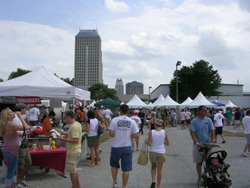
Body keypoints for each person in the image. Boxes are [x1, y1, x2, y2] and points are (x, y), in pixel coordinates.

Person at [109, 104, 139, 188]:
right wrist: (130, 135)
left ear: (120, 111)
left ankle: (115, 183)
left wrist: (117, 134)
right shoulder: (132, 121)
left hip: (116, 146)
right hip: (127, 146)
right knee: (126, 169)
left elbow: (110, 134)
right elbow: (136, 135)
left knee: (114, 165)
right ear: (127, 111)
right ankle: (124, 186)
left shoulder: (114, 120)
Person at [0, 108, 30, 188]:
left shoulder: (7, 124)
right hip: (11, 151)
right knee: (11, 172)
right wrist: (20, 117)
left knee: (14, 171)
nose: (13, 113)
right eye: (11, 112)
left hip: (10, 150)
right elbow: (26, 127)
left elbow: (16, 133)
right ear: (8, 115)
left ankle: (13, 186)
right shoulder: (10, 124)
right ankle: (8, 186)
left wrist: (26, 134)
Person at [189, 105, 215, 186]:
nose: (206, 112)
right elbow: (192, 132)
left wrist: (211, 141)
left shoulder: (208, 120)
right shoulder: (194, 121)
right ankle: (200, 177)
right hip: (198, 144)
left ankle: (204, 175)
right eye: (204, 110)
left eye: (206, 110)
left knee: (209, 162)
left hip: (207, 144)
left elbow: (212, 131)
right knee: (199, 162)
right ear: (199, 111)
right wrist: (197, 142)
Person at [57, 111, 82, 188]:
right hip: (76, 150)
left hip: (73, 150)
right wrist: (62, 132)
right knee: (74, 170)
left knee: (72, 171)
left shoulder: (74, 126)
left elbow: (75, 140)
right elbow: (71, 133)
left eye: (64, 118)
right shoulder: (76, 124)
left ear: (68, 117)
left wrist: (62, 139)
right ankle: (77, 186)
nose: (64, 120)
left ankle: (75, 186)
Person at [146, 119, 169, 188]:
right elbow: (167, 143)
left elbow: (149, 144)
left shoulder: (151, 132)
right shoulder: (164, 132)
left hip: (153, 151)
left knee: (153, 167)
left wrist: (146, 141)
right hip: (161, 151)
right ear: (161, 125)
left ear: (155, 125)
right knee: (160, 169)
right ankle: (158, 185)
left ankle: (153, 180)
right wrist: (162, 142)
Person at [13, 104, 32, 188]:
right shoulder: (16, 119)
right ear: (22, 109)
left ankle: (21, 179)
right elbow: (15, 133)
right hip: (20, 144)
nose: (26, 111)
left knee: (28, 162)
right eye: (25, 109)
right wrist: (26, 133)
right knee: (20, 164)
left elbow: (26, 127)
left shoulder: (19, 118)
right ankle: (17, 182)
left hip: (24, 143)